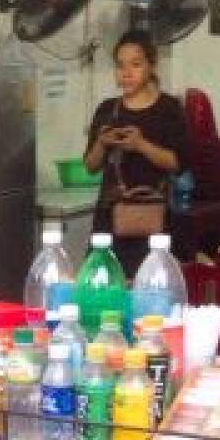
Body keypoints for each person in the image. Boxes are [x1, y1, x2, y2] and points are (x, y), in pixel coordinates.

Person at [83, 29, 188, 277]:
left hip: (155, 219)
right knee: (105, 283)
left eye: (136, 64)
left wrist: (141, 145)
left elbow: (177, 162)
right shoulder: (107, 109)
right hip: (110, 220)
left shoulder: (169, 108)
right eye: (120, 65)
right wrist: (102, 142)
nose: (126, 73)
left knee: (151, 285)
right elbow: (90, 165)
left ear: (151, 65)